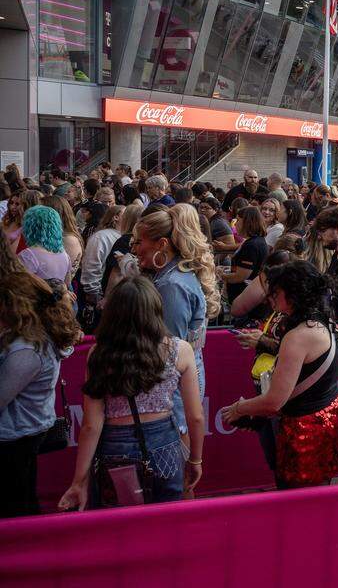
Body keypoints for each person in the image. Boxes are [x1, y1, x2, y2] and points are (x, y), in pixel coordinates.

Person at [58, 277, 204, 510]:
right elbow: (195, 417)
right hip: (165, 444)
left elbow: (90, 425)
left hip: (115, 447)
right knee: (165, 521)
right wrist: (195, 459)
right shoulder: (180, 350)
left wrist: (79, 480)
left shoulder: (98, 354)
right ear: (156, 309)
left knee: (119, 526)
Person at [222, 262, 338, 487]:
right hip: (328, 417)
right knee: (319, 494)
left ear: (293, 294)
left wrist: (240, 407)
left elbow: (274, 401)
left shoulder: (298, 336)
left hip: (305, 429)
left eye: (276, 293)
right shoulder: (327, 323)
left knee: (297, 500)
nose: (270, 298)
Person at [0, 243, 82, 516]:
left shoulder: (28, 349)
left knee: (16, 505)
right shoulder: (31, 339)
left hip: (15, 437)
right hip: (24, 431)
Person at [130, 206, 220, 435]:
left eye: (139, 242)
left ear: (161, 244)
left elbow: (169, 353)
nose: (135, 249)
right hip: (177, 387)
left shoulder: (172, 285)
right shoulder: (170, 277)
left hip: (174, 392)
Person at [220, 206, 269, 309]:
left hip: (243, 298)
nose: (235, 223)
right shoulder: (251, 241)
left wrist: (222, 276)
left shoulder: (252, 245)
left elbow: (241, 276)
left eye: (238, 220)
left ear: (247, 222)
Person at [18, 205, 71, 282]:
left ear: (29, 226)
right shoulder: (65, 255)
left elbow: (21, 287)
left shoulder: (28, 255)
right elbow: (66, 285)